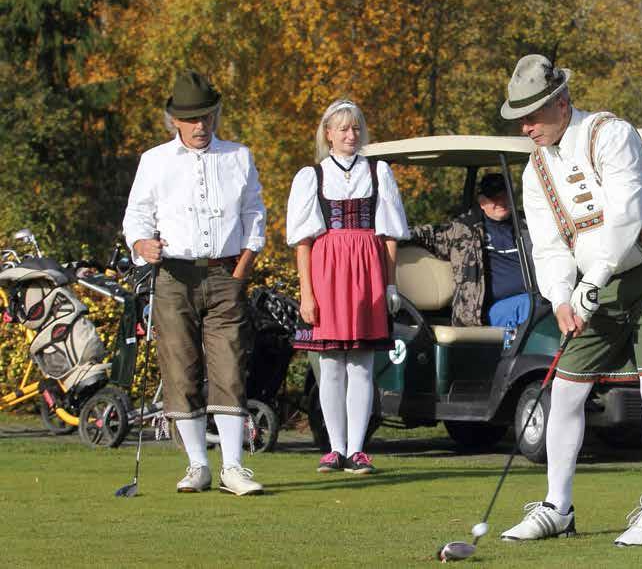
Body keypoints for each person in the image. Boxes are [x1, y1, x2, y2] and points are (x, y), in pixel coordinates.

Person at [498, 55, 642, 546]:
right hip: (592, 287)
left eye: (532, 116)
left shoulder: (611, 134)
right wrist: (562, 297)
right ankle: (556, 508)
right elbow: (547, 244)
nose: (526, 127)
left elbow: (627, 216)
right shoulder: (534, 171)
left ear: (561, 103)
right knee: (566, 390)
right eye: (519, 118)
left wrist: (591, 284)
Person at [123, 70, 266, 496]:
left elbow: (254, 213)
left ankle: (234, 468)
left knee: (229, 365)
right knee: (179, 366)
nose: (201, 126)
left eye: (207, 117)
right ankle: (198, 464)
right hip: (173, 275)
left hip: (225, 272)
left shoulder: (238, 156)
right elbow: (136, 215)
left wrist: (244, 265)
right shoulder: (154, 160)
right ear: (175, 121)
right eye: (192, 119)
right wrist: (141, 243)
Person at [286, 99, 409, 475]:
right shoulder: (313, 176)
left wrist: (390, 284)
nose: (350, 135)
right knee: (331, 364)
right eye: (342, 128)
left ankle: (357, 449)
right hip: (327, 273)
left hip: (367, 272)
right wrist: (306, 293)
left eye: (355, 128)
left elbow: (389, 234)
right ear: (328, 134)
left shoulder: (378, 172)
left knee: (361, 364)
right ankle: (334, 447)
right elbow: (302, 241)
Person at [409, 173, 531, 328]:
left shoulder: (527, 224)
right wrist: (389, 235)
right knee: (532, 306)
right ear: (482, 202)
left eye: (505, 196)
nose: (501, 202)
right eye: (494, 198)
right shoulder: (464, 230)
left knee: (551, 303)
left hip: (531, 298)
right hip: (482, 311)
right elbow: (424, 234)